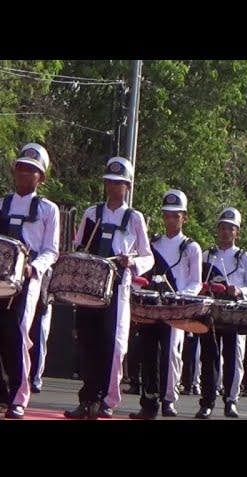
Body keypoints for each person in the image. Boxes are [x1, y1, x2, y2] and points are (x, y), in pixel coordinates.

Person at [64, 157, 154, 419]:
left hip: (116, 286)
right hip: (90, 286)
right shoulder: (92, 213)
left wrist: (133, 261)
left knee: (113, 344)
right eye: (110, 182)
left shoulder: (134, 217)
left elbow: (148, 256)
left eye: (119, 183)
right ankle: (87, 398)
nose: (113, 187)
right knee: (88, 341)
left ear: (127, 186)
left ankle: (107, 398)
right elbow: (80, 246)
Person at [130, 190, 202, 419]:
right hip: (152, 306)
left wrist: (181, 296)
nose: (171, 219)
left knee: (171, 352)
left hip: (175, 307)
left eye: (176, 215)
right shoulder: (152, 244)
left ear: (184, 217)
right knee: (148, 351)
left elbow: (196, 282)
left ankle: (169, 399)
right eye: (167, 215)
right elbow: (143, 276)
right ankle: (149, 401)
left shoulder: (191, 247)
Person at [0, 143, 60, 419]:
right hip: (1, 275)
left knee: (20, 332)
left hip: (28, 278)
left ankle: (19, 395)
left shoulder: (49, 210)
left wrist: (33, 267)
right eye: (21, 168)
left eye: (31, 170)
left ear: (41, 177)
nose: (24, 174)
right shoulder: (2, 203)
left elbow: (51, 249)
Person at [200, 207, 247, 418]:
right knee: (209, 358)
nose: (226, 232)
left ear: (237, 232)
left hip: (234, 315)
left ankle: (231, 400)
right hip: (211, 314)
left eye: (230, 229)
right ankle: (207, 401)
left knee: (233, 357)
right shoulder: (207, 255)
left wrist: (240, 290)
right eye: (223, 228)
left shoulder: (244, 258)